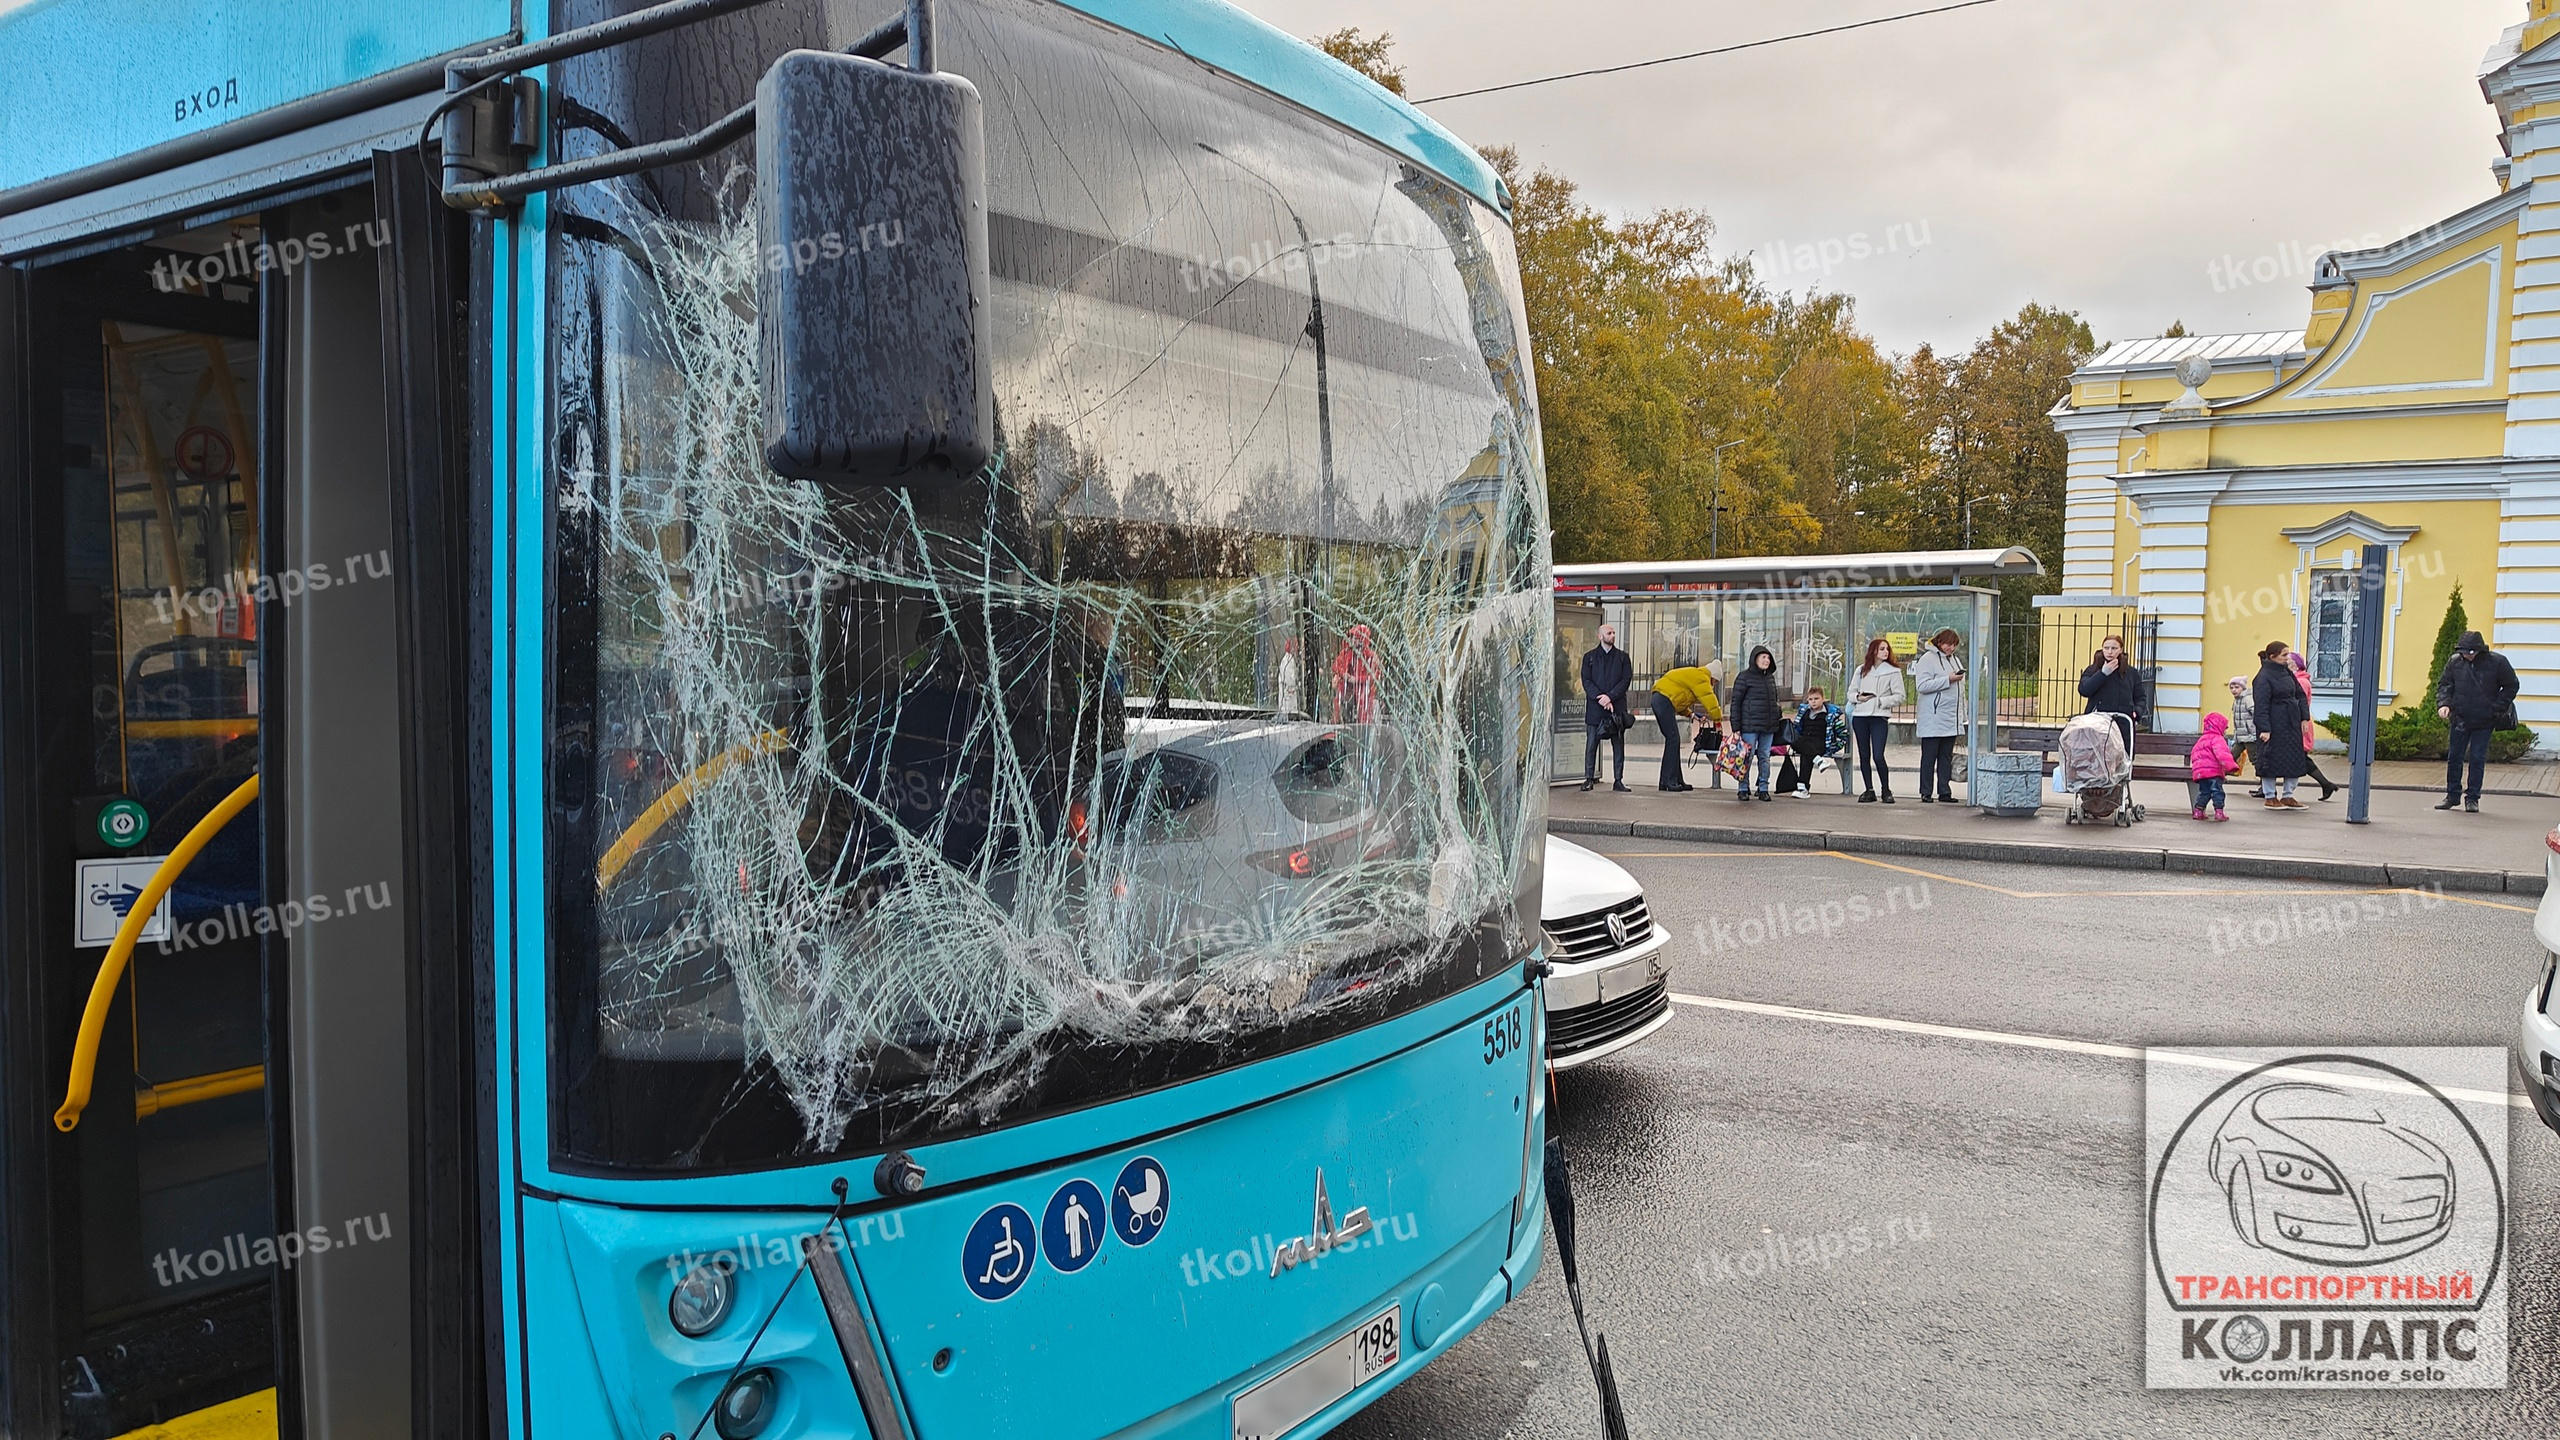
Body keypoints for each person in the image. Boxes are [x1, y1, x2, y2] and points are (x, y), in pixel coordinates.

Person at [2435, 629, 2520, 814]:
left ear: (2479, 651)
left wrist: (2497, 707)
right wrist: (2444, 704)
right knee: (2454, 758)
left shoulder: (2497, 662)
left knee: (2477, 759)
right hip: (2460, 718)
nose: (2467, 656)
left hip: (2484, 720)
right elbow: (2444, 685)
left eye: (2470, 652)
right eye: (2464, 652)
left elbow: (2512, 685)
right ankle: (2452, 796)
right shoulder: (2455, 662)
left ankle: (2472, 798)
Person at [2251, 640, 2311, 809]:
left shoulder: (2287, 673)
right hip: (2274, 725)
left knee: (2294, 759)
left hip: (2291, 723)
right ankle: (2270, 796)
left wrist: (2304, 718)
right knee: (2270, 760)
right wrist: (2264, 729)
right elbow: (2261, 705)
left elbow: (2299, 695)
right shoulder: (2263, 677)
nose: (2288, 658)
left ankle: (2288, 796)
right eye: (2284, 655)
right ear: (2273, 657)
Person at [1911, 629, 1966, 804]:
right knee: (1929, 756)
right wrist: (1947, 679)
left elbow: (1960, 692)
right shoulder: (1927, 660)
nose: (1951, 648)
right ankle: (1926, 791)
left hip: (1950, 717)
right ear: (1939, 642)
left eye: (1954, 645)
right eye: (1948, 644)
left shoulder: (1954, 660)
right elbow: (1922, 685)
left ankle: (1944, 791)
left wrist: (1962, 715)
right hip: (1933, 717)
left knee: (1945, 756)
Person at [1650, 662, 1721, 793]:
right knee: (1673, 740)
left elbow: (1680, 700)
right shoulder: (1701, 677)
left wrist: (1692, 714)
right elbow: (1709, 700)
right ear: (1712, 676)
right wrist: (1717, 719)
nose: (1713, 685)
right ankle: (1668, 782)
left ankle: (1675, 780)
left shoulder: (1694, 676)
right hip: (1663, 700)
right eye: (1715, 681)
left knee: (1673, 741)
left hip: (1661, 699)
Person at [1580, 624, 1634, 793]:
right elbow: (1586, 681)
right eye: (1609, 633)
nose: (1612, 635)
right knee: (1591, 744)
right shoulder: (1590, 657)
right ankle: (1589, 778)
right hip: (1596, 708)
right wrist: (1601, 698)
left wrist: (1610, 697)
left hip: (1616, 708)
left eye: (1613, 633)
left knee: (1618, 744)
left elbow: (1625, 680)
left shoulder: (1623, 657)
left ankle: (1618, 780)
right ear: (1600, 636)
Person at [1726, 645, 1784, 801]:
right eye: (1763, 657)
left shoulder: (1770, 678)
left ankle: (1763, 788)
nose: (1766, 660)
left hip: (1768, 726)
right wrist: (1736, 727)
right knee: (1746, 757)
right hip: (1749, 726)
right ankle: (1743, 788)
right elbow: (1736, 702)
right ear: (1755, 658)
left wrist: (1777, 717)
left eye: (1768, 658)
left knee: (1764, 757)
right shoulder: (1744, 677)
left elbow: (1774, 701)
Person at [1848, 637, 1902, 804]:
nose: (1885, 651)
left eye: (1887, 648)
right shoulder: (1862, 670)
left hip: (1879, 716)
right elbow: (1850, 692)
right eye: (1882, 649)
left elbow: (1900, 696)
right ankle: (1869, 789)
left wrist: (1882, 701)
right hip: (1861, 716)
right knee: (1864, 754)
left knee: (1878, 755)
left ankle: (1886, 789)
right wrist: (1858, 697)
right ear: (1874, 651)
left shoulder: (1893, 671)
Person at [2283, 651, 2339, 802]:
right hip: (2300, 723)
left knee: (2300, 758)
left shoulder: (2300, 682)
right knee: (2301, 758)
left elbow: (2296, 703)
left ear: (2295, 664)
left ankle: (2326, 784)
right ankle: (2326, 784)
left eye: (2287, 660)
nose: (2285, 662)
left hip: (2300, 724)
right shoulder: (2298, 680)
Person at [2076, 634, 2144, 754]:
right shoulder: (2093, 669)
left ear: (2121, 650)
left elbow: (2140, 697)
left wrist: (2136, 711)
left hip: (2122, 723)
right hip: (2097, 723)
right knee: (2096, 758)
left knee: (2121, 759)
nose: (2110, 652)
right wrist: (2102, 674)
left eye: (2114, 648)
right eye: (2106, 648)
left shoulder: (2131, 672)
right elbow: (2084, 690)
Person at [1780, 687, 1853, 798]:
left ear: (1823, 699)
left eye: (1816, 698)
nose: (1813, 701)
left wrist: (1835, 747)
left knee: (1806, 754)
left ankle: (1803, 788)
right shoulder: (1804, 713)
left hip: (1820, 742)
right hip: (1804, 741)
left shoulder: (1830, 715)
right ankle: (1818, 760)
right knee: (1794, 741)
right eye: (1810, 699)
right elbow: (1796, 729)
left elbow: (1842, 734)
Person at [2188, 712, 2236, 822]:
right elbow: (2222, 754)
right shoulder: (2217, 739)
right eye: (2224, 728)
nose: (2225, 731)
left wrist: (2197, 769)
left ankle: (2198, 810)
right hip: (2214, 771)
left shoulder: (2201, 739)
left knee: (2204, 792)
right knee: (2217, 791)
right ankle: (2219, 812)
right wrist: (2231, 766)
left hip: (2201, 773)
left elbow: (2195, 754)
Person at [1330, 623, 1381, 723]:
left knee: (1363, 708)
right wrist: (1343, 674)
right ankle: (1338, 721)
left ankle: (1362, 725)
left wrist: (1357, 679)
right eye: (1352, 638)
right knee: (1339, 699)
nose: (1353, 641)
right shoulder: (1346, 652)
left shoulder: (1370, 657)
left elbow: (1374, 677)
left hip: (1362, 692)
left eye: (1356, 638)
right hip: (1347, 690)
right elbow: (1336, 666)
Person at [2225, 675, 2257, 796]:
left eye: (2236, 687)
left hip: (2250, 736)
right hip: (2240, 737)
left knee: (2255, 760)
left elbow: (2256, 713)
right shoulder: (2237, 700)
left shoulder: (2248, 699)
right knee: (2230, 756)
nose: (2233, 690)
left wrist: (2254, 731)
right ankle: (2219, 778)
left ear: (2242, 688)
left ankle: (2265, 786)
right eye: (2231, 687)